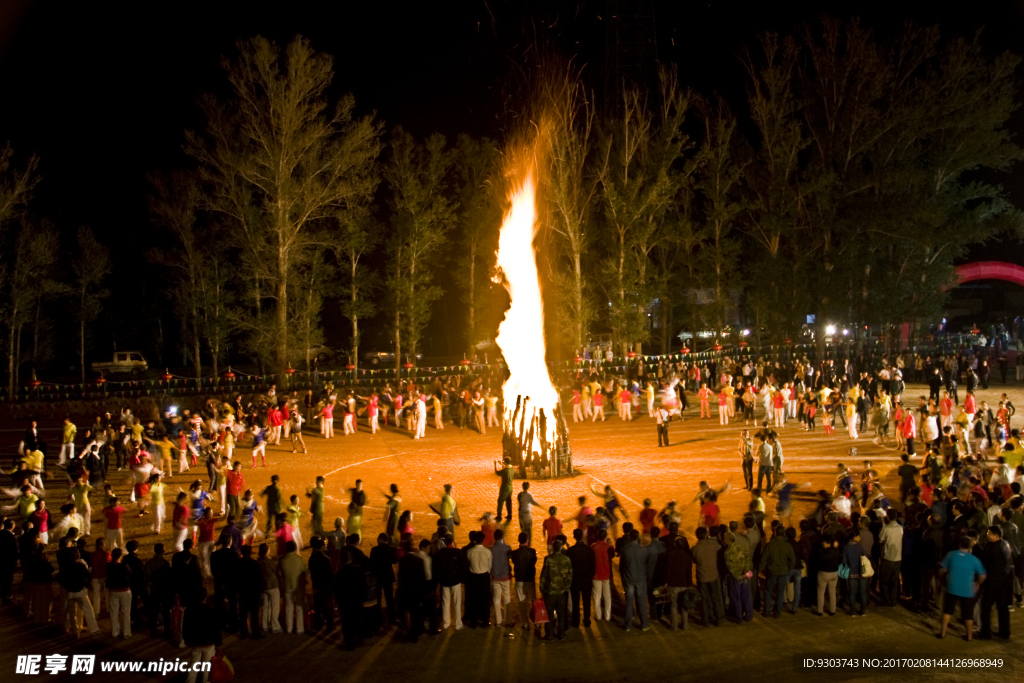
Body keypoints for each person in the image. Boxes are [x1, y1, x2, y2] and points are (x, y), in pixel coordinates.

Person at [939, 535, 987, 640]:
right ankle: (969, 636)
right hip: (967, 589)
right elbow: (983, 575)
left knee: (947, 611)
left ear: (959, 544)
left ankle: (942, 633)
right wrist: (977, 583)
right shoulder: (974, 559)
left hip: (952, 587)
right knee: (967, 614)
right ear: (970, 546)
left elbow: (942, 569)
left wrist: (943, 580)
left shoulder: (951, 555)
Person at [978, 525, 1012, 639]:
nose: (987, 536)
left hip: (993, 582)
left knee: (986, 607)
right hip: (1004, 581)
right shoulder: (1005, 544)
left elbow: (985, 561)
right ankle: (1004, 631)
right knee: (1002, 608)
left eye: (989, 534)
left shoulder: (993, 548)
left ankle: (986, 633)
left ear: (995, 535)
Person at [182, 587, 221, 683]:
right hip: (208, 642)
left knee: (194, 663)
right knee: (207, 665)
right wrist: (218, 641)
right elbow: (215, 628)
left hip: (195, 642)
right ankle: (205, 681)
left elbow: (185, 627)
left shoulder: (189, 610)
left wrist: (186, 640)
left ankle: (190, 681)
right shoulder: (210, 610)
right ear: (206, 597)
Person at [539, 538, 572, 641]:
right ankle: (561, 634)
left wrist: (541, 587)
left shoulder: (548, 559)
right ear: (561, 548)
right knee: (562, 613)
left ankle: (550, 635)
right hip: (562, 591)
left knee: (549, 614)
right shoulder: (566, 559)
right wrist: (567, 586)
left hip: (550, 591)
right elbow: (570, 574)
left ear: (553, 548)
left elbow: (544, 575)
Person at [760, 526, 795, 618]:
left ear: (775, 533)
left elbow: (763, 559)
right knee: (780, 592)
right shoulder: (787, 546)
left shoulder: (770, 545)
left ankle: (766, 612)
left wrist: (760, 570)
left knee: (768, 591)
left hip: (771, 571)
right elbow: (792, 560)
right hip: (783, 572)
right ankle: (777, 613)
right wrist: (788, 568)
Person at [435, 533, 465, 631]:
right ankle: (458, 623)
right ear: (452, 541)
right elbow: (463, 566)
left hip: (444, 581)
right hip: (456, 580)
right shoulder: (458, 552)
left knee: (445, 602)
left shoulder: (440, 553)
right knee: (457, 602)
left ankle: (446, 623)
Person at [567, 528, 595, 628]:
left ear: (574, 536)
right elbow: (593, 566)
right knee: (587, 601)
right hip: (586, 579)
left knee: (575, 601)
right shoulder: (589, 550)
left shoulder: (570, 551)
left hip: (575, 580)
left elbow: (568, 567)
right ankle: (587, 620)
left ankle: (576, 620)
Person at [510, 532, 537, 631]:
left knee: (521, 602)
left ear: (518, 540)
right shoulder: (532, 551)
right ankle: (536, 621)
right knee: (533, 600)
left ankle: (525, 623)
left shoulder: (515, 553)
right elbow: (534, 561)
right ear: (527, 540)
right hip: (530, 579)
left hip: (520, 579)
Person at [279, 540, 306, 634]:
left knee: (288, 608)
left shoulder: (282, 560)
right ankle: (300, 629)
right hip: (298, 586)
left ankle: (289, 628)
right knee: (299, 607)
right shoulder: (299, 559)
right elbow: (304, 571)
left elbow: (280, 573)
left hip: (287, 585)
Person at [494, 457, 514, 522]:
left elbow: (497, 472)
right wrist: (501, 463)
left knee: (500, 501)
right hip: (510, 486)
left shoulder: (505, 471)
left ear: (505, 462)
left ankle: (499, 516)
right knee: (508, 501)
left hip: (505, 487)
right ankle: (509, 514)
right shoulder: (512, 468)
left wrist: (495, 465)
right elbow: (506, 467)